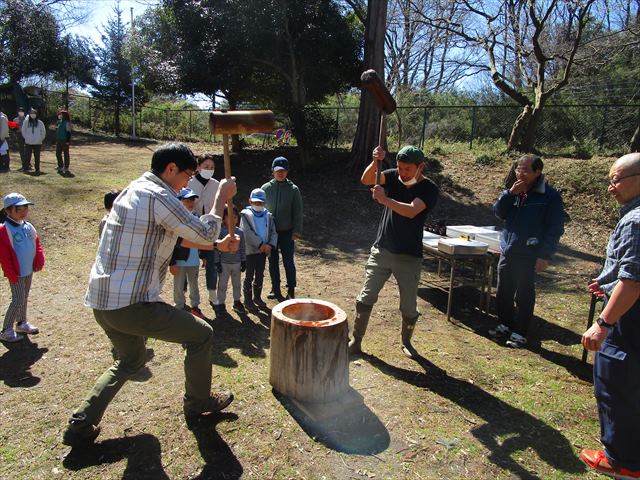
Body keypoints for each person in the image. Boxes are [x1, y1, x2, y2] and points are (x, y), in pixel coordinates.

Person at [62, 143, 239, 448]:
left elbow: (179, 233)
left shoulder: (135, 189)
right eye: (187, 175)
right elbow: (203, 230)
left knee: (130, 360)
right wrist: (221, 198)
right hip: (132, 304)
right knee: (201, 335)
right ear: (171, 169)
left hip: (103, 303)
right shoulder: (160, 195)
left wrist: (217, 246)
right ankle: (198, 403)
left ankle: (80, 424)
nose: (188, 182)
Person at [580, 153, 640, 478]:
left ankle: (623, 463)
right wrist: (608, 282)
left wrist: (603, 323)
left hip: (627, 321)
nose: (610, 187)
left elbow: (633, 283)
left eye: (616, 179)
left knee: (614, 385)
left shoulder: (635, 220)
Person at [350, 145, 439, 358]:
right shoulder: (393, 177)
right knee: (366, 297)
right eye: (399, 167)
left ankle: (406, 342)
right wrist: (375, 161)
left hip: (409, 257)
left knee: (409, 307)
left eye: (408, 169)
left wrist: (385, 200)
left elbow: (411, 211)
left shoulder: (428, 188)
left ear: (421, 167)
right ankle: (356, 340)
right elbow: (366, 179)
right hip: (382, 250)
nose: (403, 173)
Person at [489, 154, 565, 348]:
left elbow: (555, 228)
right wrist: (509, 194)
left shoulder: (549, 196)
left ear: (537, 172)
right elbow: (498, 212)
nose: (520, 173)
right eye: (517, 169)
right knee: (503, 291)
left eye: (525, 170)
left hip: (529, 252)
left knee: (523, 294)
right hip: (508, 249)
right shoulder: (514, 191)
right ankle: (505, 324)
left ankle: (520, 332)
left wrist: (544, 255)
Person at [0, 193, 45, 343]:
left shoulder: (27, 226)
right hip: (16, 273)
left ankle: (21, 323)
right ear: (8, 210)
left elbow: (36, 244)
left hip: (28, 270)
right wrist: (10, 273)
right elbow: (4, 255)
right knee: (18, 299)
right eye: (19, 208)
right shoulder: (4, 230)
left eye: (26, 207)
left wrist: (38, 260)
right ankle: (6, 330)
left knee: (24, 297)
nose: (24, 211)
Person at [262, 156, 303, 301]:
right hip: (270, 232)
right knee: (272, 261)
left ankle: (291, 288)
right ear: (273, 171)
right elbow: (259, 211)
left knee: (288, 261)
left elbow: (297, 211)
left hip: (287, 232)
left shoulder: (293, 189)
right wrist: (261, 231)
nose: (281, 173)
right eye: (278, 170)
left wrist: (297, 231)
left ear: (287, 172)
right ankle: (275, 287)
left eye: (284, 171)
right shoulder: (265, 188)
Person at [188, 154, 220, 310]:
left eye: (212, 167)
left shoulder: (217, 185)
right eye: (206, 167)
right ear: (198, 167)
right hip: (191, 227)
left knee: (212, 262)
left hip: (210, 229)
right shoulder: (189, 183)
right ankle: (188, 296)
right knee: (190, 263)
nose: (209, 170)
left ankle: (213, 294)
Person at [170, 187, 207, 320]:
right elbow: (172, 243)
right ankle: (179, 306)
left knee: (194, 284)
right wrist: (172, 262)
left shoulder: (197, 217)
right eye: (187, 199)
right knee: (178, 285)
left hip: (194, 259)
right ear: (180, 201)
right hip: (179, 259)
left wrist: (203, 256)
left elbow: (202, 238)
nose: (191, 202)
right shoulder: (175, 219)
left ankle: (195, 306)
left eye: (192, 199)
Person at [240, 188, 277, 310]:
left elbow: (273, 232)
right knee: (249, 276)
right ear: (250, 201)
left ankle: (257, 297)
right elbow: (247, 233)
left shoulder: (269, 216)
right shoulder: (245, 215)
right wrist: (260, 244)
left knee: (260, 275)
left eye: (261, 203)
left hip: (263, 252)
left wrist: (270, 245)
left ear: (265, 202)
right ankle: (247, 300)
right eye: (256, 202)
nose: (258, 205)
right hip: (250, 251)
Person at [213, 206, 246, 315]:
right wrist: (217, 262)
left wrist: (243, 260)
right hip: (224, 263)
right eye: (229, 217)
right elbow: (217, 248)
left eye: (235, 217)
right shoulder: (221, 232)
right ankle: (220, 303)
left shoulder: (240, 232)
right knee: (222, 284)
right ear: (223, 219)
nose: (233, 220)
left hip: (236, 263)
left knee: (237, 284)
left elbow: (242, 247)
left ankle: (237, 302)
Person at [21, 108, 46, 174]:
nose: (33, 115)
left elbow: (43, 132)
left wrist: (40, 139)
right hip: (28, 142)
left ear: (36, 114)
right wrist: (26, 138)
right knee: (27, 156)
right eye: (31, 113)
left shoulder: (40, 122)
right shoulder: (26, 122)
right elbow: (23, 131)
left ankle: (37, 169)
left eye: (34, 113)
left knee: (37, 157)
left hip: (37, 143)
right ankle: (26, 168)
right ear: (29, 114)